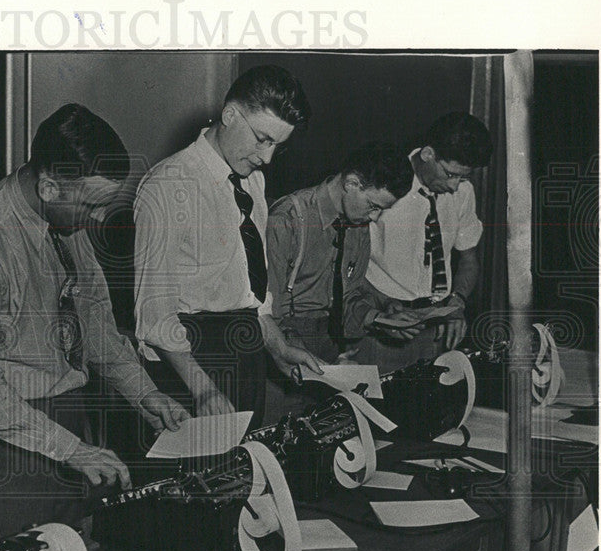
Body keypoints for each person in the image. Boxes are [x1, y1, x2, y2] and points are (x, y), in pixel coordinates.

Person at [0, 104, 188, 536]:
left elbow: (94, 323)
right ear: (50, 187)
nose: (97, 219)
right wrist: (71, 450)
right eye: (92, 205)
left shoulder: (66, 218)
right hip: (8, 443)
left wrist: (145, 393)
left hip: (71, 422)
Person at [133, 65, 322, 430]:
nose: (266, 157)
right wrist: (203, 391)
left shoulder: (252, 183)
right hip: (190, 365)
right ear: (230, 115)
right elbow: (155, 315)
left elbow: (247, 289)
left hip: (246, 355)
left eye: (277, 146)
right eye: (262, 139)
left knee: (249, 476)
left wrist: (277, 347)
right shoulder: (168, 185)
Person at [346, 112, 493, 372]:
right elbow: (349, 264)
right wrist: (383, 310)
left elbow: (469, 259)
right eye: (450, 174)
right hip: (382, 329)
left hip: (435, 331)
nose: (456, 187)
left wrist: (457, 303)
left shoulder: (463, 192)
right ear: (428, 154)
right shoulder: (384, 180)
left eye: (464, 177)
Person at [266, 141, 411, 363]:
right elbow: (267, 309)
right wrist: (293, 349)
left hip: (329, 340)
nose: (375, 217)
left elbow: (347, 295)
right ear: (351, 182)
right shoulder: (288, 218)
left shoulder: (358, 225)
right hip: (283, 340)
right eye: (373, 206)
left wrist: (379, 319)